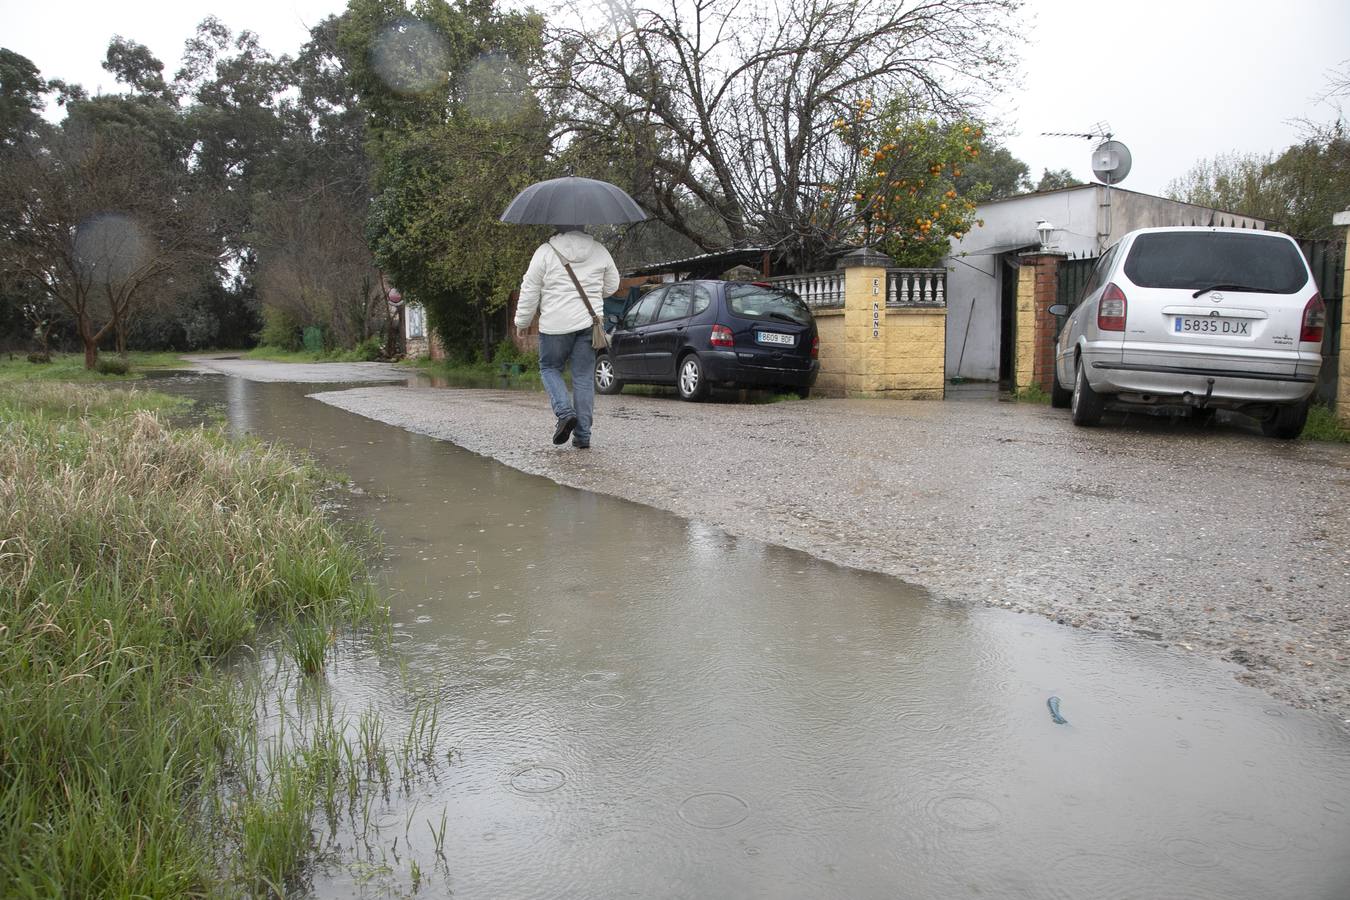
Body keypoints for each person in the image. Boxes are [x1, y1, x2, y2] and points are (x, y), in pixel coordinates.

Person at [514, 226, 620, 449]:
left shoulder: (545, 252)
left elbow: (530, 289)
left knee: (549, 368)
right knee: (583, 377)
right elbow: (612, 285)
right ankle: (583, 436)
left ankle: (564, 413)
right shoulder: (599, 250)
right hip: (589, 322)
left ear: (557, 225)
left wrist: (522, 322)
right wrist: (592, 292)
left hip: (555, 325)